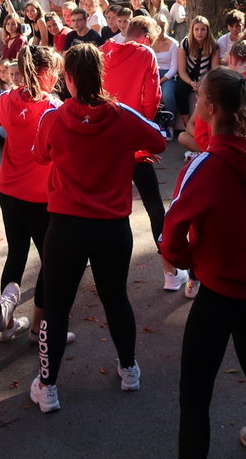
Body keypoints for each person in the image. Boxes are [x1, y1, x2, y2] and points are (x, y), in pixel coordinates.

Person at [161, 68, 246, 459]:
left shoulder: (206, 165)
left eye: (199, 98)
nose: (195, 105)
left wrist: (193, 263)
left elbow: (171, 236)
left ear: (212, 108)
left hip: (218, 291)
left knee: (195, 394)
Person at [29, 43, 167, 413]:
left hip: (66, 228)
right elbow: (159, 140)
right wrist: (131, 152)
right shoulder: (121, 115)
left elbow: (41, 154)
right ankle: (129, 369)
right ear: (100, 75)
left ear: (68, 78)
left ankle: (48, 386)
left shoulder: (53, 118)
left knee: (57, 307)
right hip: (112, 228)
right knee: (115, 298)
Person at [0, 45, 65, 344]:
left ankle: (5, 318)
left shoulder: (6, 99)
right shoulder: (53, 108)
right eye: (55, 71)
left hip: (8, 191)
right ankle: (38, 329)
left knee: (17, 252)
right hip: (40, 197)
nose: (57, 77)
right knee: (49, 260)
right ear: (45, 73)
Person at [102, 16, 186, 288]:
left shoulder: (102, 51)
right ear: (147, 38)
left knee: (104, 203)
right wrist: (146, 138)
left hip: (103, 142)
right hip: (133, 142)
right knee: (152, 205)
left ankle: (97, 256)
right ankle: (170, 272)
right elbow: (152, 99)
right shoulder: (145, 53)